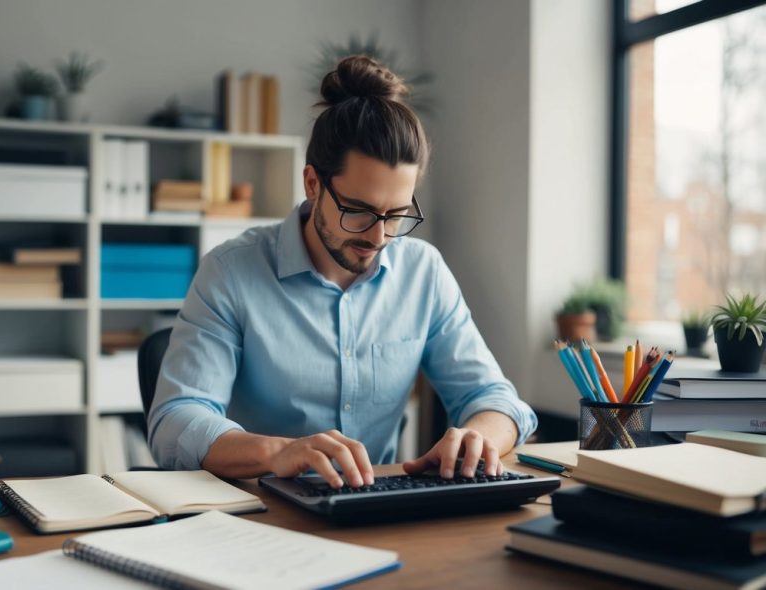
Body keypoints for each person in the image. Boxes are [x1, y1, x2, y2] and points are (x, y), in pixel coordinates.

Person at [147, 55, 537, 489]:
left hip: (377, 508)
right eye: (358, 211)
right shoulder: (230, 272)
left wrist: (477, 437)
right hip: (260, 511)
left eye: (397, 215)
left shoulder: (423, 272)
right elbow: (175, 423)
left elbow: (498, 400)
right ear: (313, 184)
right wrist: (280, 452)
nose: (378, 235)